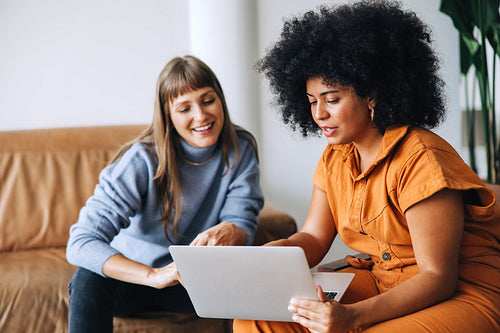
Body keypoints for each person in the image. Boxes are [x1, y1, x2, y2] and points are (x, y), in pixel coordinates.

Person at [234, 1, 500, 332]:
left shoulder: (421, 158)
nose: (319, 114)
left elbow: (437, 278)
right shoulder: (335, 156)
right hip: (380, 281)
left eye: (332, 99)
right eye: (312, 101)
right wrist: (275, 253)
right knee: (255, 319)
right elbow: (315, 238)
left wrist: (353, 318)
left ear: (371, 94)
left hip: (461, 293)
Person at [66, 55, 264, 332]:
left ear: (220, 99)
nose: (201, 116)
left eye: (208, 100)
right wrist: (153, 275)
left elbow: (243, 220)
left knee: (260, 279)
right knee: (87, 278)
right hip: (133, 280)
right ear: (167, 114)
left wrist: (234, 229)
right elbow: (80, 242)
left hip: (192, 282)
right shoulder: (141, 159)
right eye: (184, 108)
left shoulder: (240, 148)